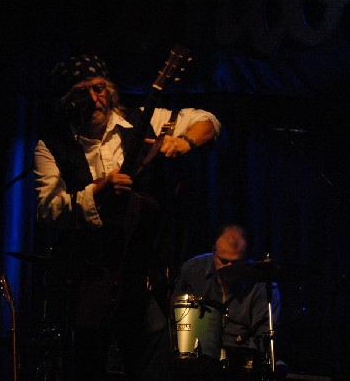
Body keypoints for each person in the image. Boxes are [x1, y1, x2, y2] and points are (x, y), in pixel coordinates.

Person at [33, 54, 221, 381]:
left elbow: (208, 120)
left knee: (150, 365)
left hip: (139, 279)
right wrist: (98, 191)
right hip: (87, 283)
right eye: (82, 93)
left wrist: (184, 141)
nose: (94, 99)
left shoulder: (143, 120)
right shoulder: (51, 145)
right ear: (66, 100)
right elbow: (48, 210)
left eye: (99, 89)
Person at [172, 224, 281, 381]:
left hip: (241, 363)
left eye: (235, 263)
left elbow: (263, 341)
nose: (228, 268)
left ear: (247, 258)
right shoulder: (193, 269)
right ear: (213, 252)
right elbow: (176, 316)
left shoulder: (262, 285)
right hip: (199, 360)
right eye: (223, 261)